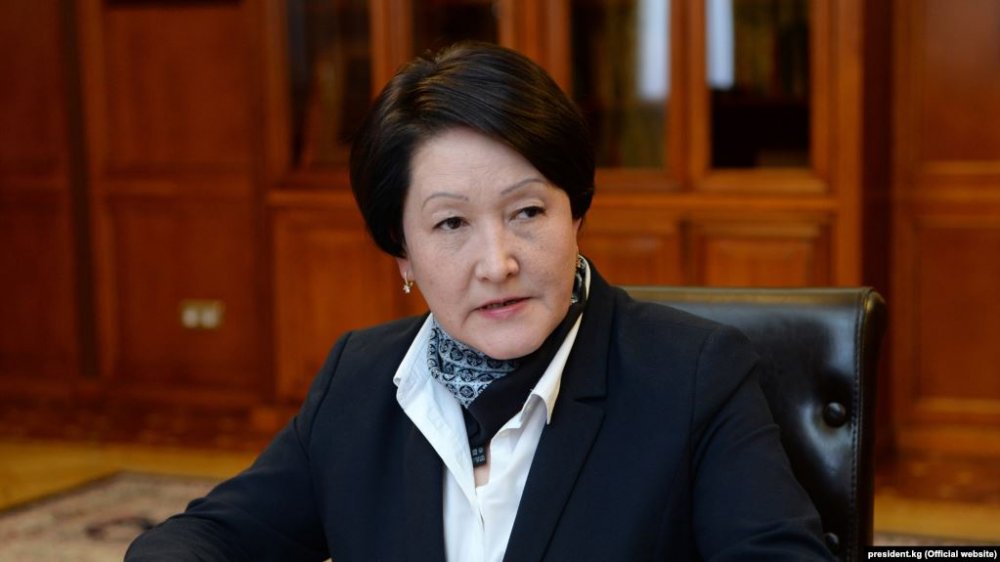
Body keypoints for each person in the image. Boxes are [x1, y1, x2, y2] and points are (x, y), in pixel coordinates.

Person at [126, 42, 833, 561]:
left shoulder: (693, 376)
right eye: (451, 224)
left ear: (576, 213)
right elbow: (208, 538)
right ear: (402, 253)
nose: (498, 264)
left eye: (527, 212)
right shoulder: (362, 380)